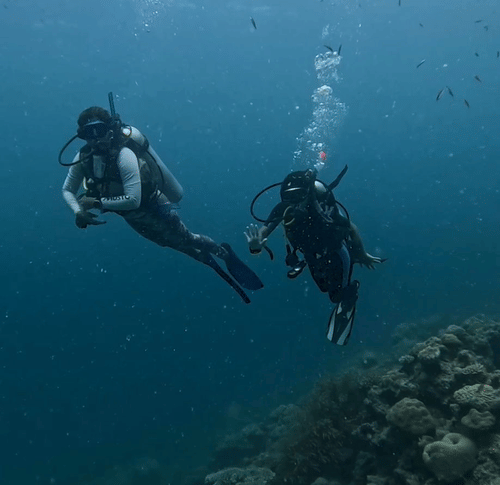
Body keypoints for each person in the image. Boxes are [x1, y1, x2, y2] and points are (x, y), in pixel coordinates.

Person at [59, 93, 263, 304]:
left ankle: (222, 252)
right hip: (133, 217)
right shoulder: (83, 159)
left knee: (187, 239)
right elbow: (67, 190)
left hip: (155, 206)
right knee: (173, 244)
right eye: (88, 134)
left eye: (99, 131)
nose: (95, 139)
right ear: (81, 136)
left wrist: (98, 203)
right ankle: (208, 258)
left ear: (109, 131)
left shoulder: (124, 155)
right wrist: (79, 212)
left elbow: (134, 199)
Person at [244, 167, 384, 344]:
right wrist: (255, 246)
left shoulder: (321, 207)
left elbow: (351, 227)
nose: (293, 202)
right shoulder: (283, 209)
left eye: (298, 195)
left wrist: (361, 254)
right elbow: (263, 232)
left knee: (336, 296)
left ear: (307, 194)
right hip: (311, 254)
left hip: (337, 250)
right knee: (324, 289)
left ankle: (351, 291)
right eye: (289, 197)